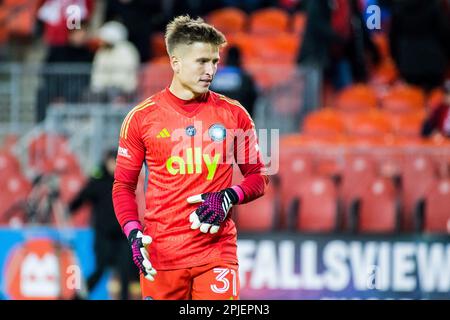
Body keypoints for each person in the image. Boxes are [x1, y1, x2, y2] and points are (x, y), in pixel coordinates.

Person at [112, 15, 269, 300]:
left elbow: (259, 176)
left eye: (215, 62)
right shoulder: (140, 118)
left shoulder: (235, 114)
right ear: (176, 62)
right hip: (161, 256)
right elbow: (123, 186)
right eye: (202, 61)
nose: (210, 70)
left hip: (216, 253)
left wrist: (228, 196)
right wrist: (134, 233)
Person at [69, 149, 139, 300]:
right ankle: (77, 297)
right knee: (99, 270)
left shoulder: (124, 181)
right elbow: (82, 197)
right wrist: (72, 207)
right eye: (112, 161)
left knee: (126, 272)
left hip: (122, 236)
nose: (114, 165)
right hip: (104, 235)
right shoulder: (98, 181)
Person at [90, 21, 140, 103]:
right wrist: (97, 87)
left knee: (113, 93)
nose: (101, 41)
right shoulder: (102, 52)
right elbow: (98, 72)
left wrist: (113, 85)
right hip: (104, 89)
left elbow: (124, 73)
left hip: (123, 89)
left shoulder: (126, 50)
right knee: (90, 94)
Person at [209, 46, 258, 117]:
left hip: (216, 119)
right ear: (239, 58)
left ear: (226, 58)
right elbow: (252, 97)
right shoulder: (244, 77)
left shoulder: (215, 76)